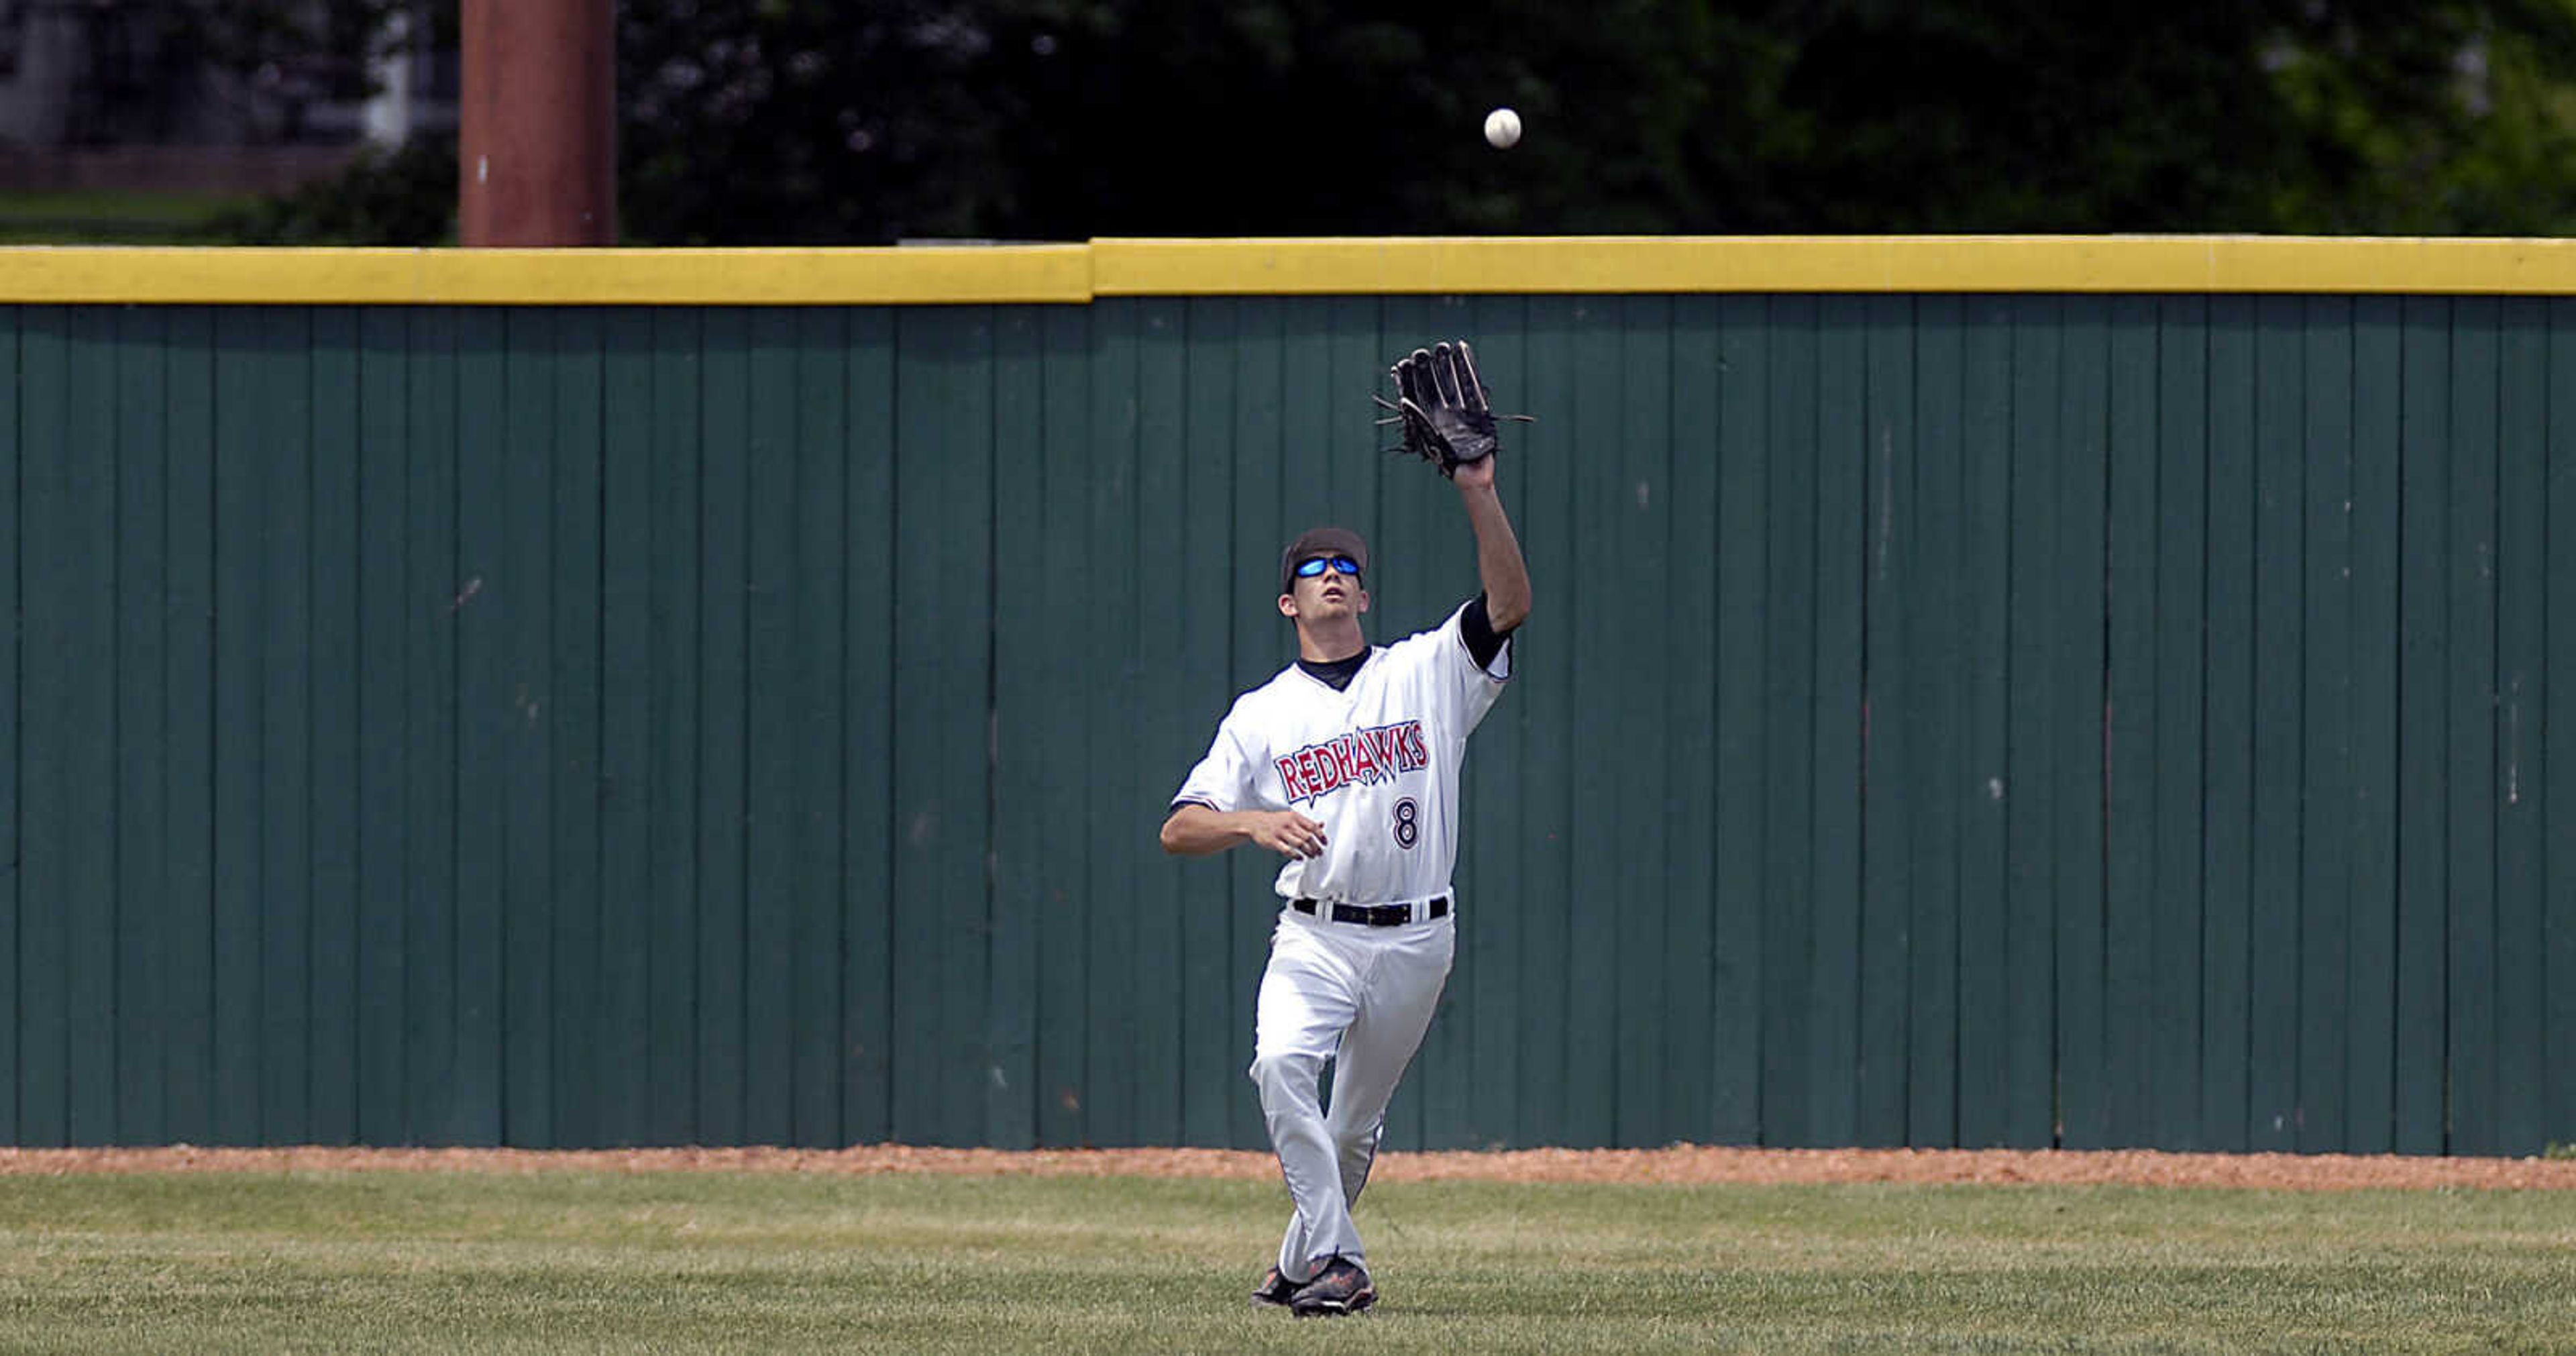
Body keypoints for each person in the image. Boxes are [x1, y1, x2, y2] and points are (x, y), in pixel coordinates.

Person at [1158, 419, 1529, 1318]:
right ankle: (1341, 1262)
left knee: (1353, 1124)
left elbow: (1510, 602)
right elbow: (1180, 827)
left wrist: (1477, 487)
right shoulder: (1263, 713)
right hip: (1315, 932)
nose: (1333, 573)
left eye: (1347, 567)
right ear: (1289, 603)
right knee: (1279, 1063)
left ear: (1365, 594)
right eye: (1315, 568)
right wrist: (1250, 821)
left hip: (1417, 937)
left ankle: (1301, 1263)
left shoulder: (1425, 672)